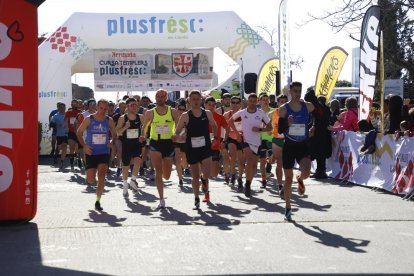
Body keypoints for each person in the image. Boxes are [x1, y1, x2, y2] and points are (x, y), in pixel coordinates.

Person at [174, 90, 218, 209]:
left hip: (205, 147)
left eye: (197, 98)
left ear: (201, 100)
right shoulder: (185, 115)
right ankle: (196, 199)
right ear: (189, 100)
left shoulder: (207, 113)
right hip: (192, 149)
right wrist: (179, 137)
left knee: (207, 173)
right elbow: (176, 133)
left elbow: (214, 125)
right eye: (192, 99)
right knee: (195, 176)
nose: (195, 101)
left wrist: (215, 137)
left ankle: (204, 181)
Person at [278, 82, 315, 222]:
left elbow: (319, 115)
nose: (297, 93)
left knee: (306, 172)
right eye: (295, 91)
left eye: (300, 91)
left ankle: (300, 179)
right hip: (289, 145)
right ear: (290, 92)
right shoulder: (283, 109)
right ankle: (288, 207)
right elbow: (280, 130)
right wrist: (287, 123)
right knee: (287, 179)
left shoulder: (308, 106)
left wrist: (313, 127)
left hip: (303, 144)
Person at [76, 99, 117, 211]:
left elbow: (114, 134)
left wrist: (112, 141)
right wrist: (84, 145)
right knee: (90, 180)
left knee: (102, 176)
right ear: (96, 107)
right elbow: (79, 132)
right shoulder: (89, 119)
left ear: (107, 109)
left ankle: (98, 201)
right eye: (101, 108)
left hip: (104, 152)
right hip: (91, 152)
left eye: (105, 109)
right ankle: (89, 177)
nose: (103, 111)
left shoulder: (109, 120)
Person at [228, 93, 272, 197]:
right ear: (247, 101)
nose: (252, 103)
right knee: (249, 160)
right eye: (250, 101)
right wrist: (237, 133)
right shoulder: (242, 112)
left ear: (257, 102)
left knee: (253, 166)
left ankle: (247, 182)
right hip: (245, 140)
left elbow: (270, 127)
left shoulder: (261, 113)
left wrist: (260, 129)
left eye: (254, 101)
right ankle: (247, 186)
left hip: (257, 142)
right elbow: (230, 121)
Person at [143, 89, 179, 209]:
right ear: (155, 98)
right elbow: (145, 126)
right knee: (158, 171)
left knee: (167, 175)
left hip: (168, 143)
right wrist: (143, 136)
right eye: (158, 96)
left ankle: (164, 172)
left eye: (162, 96)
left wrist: (177, 135)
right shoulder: (150, 112)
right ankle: (161, 199)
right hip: (155, 143)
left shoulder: (172, 111)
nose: (159, 98)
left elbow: (180, 126)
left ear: (166, 98)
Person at [116, 98, 146, 197]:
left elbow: (145, 128)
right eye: (132, 105)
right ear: (127, 106)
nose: (135, 107)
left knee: (138, 161)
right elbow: (117, 132)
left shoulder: (140, 117)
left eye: (136, 105)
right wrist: (125, 127)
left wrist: (143, 135)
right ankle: (125, 185)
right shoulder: (122, 118)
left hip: (137, 144)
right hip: (126, 145)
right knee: (126, 166)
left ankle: (133, 180)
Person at [205, 96, 229, 178]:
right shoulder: (200, 115)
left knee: (214, 174)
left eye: (213, 105)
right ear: (205, 105)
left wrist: (224, 141)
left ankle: (204, 179)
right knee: (204, 170)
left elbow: (227, 129)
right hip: (202, 146)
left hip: (215, 147)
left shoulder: (219, 117)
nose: (211, 107)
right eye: (209, 105)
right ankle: (204, 183)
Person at [223, 96, 245, 189]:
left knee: (240, 161)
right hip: (231, 138)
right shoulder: (227, 115)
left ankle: (240, 178)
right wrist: (223, 140)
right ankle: (232, 175)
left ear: (240, 104)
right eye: (233, 102)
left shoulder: (244, 114)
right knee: (232, 156)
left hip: (242, 138)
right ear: (230, 104)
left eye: (237, 102)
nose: (235, 104)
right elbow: (225, 129)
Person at [268, 94, 288, 192]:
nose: (283, 104)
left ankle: (281, 186)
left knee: (283, 163)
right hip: (276, 139)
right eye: (281, 101)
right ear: (278, 102)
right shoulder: (272, 113)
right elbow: (266, 124)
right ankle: (280, 185)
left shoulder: (291, 113)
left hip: (288, 140)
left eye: (285, 102)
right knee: (278, 162)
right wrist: (268, 130)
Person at [258, 93, 274, 188]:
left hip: (271, 138)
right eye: (263, 99)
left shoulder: (273, 111)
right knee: (262, 160)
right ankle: (263, 179)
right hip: (260, 139)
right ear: (259, 101)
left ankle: (268, 169)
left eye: (267, 99)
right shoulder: (257, 112)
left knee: (272, 157)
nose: (265, 101)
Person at [64, 99, 82, 171]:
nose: (74, 105)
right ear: (71, 104)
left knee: (77, 149)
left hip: (78, 133)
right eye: (73, 103)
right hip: (71, 132)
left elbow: (82, 122)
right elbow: (65, 121)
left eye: (75, 103)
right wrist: (66, 128)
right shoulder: (68, 112)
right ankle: (72, 165)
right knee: (72, 147)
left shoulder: (80, 112)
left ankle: (78, 159)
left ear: (77, 104)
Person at [174, 100, 188, 186]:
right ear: (177, 109)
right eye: (180, 109)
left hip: (185, 141)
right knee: (177, 159)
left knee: (184, 158)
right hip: (176, 141)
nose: (181, 111)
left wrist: (186, 134)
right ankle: (180, 178)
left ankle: (184, 168)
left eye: (183, 109)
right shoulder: (173, 117)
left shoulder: (187, 117)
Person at [51, 102, 68, 169]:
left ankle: (62, 161)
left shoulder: (67, 114)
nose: (62, 109)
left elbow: (71, 122)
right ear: (59, 108)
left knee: (65, 146)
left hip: (66, 134)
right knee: (59, 147)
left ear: (65, 108)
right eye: (61, 107)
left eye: (63, 107)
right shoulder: (56, 115)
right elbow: (52, 124)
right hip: (59, 134)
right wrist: (56, 125)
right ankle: (56, 155)